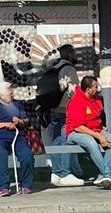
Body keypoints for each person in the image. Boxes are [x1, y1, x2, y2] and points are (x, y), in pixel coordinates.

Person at [36, 44, 85, 187]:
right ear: (70, 54)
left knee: (56, 141)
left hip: (53, 110)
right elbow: (74, 92)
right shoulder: (69, 69)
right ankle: (65, 173)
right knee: (65, 141)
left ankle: (56, 173)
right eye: (75, 53)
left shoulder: (54, 68)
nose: (76, 56)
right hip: (65, 110)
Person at [64, 74, 111, 189]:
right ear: (88, 89)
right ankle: (108, 176)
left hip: (95, 129)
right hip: (75, 132)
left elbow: (98, 116)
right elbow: (77, 127)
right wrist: (98, 136)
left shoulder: (96, 99)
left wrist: (101, 129)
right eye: (95, 86)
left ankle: (103, 175)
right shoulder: (76, 101)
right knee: (91, 143)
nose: (98, 88)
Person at [0, 82, 36, 196]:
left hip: (17, 137)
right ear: (2, 95)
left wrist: (19, 121)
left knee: (27, 155)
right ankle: (3, 187)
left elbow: (26, 121)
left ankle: (26, 185)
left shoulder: (17, 105)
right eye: (10, 93)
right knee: (1, 154)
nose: (12, 95)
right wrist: (4, 124)